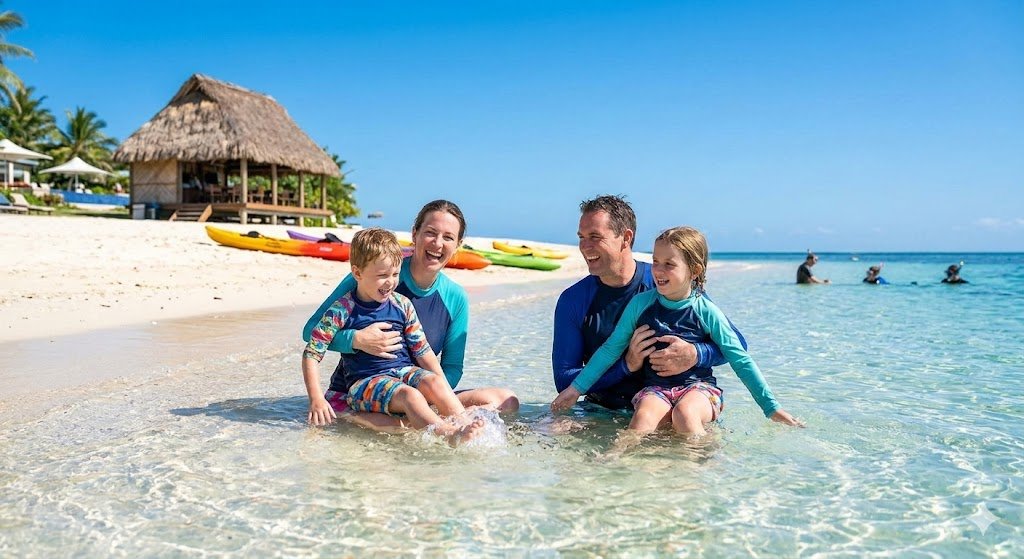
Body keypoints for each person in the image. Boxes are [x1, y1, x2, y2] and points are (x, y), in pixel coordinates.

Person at [552, 226, 803, 435]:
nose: (658, 270)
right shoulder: (641, 303)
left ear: (694, 270)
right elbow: (610, 349)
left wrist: (771, 408)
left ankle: (698, 474)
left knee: (686, 414)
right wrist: (576, 389)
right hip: (656, 390)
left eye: (668, 264)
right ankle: (617, 464)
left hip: (699, 389)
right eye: (655, 262)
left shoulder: (705, 310)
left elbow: (740, 357)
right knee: (641, 420)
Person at [302, 199, 519, 432]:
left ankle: (453, 425)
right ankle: (431, 425)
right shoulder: (372, 272)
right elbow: (311, 333)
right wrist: (356, 340)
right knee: (403, 419)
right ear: (414, 234)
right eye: (430, 233)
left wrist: (434, 395)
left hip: (415, 382)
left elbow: (452, 366)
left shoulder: (452, 297)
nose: (437, 243)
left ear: (458, 244)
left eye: (448, 237)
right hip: (365, 387)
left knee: (507, 401)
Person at [551, 195, 744, 411]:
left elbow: (737, 345)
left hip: (672, 412)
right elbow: (564, 382)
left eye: (595, 237)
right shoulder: (574, 300)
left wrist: (696, 354)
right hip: (602, 412)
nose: (584, 246)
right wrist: (626, 366)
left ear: (625, 237)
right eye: (581, 237)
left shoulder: (665, 282)